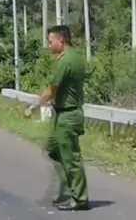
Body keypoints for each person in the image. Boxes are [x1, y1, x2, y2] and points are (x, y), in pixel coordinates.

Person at [24, 25, 89, 211]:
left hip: (67, 115)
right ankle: (66, 191)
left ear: (61, 40)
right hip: (66, 114)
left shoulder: (64, 61)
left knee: (71, 158)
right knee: (53, 149)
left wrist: (34, 106)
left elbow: (52, 89)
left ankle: (79, 199)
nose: (49, 45)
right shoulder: (76, 57)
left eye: (50, 41)